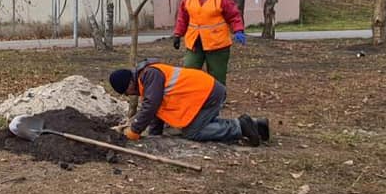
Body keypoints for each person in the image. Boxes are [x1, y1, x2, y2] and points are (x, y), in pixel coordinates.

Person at [109, 59, 269, 146]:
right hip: (205, 94)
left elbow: (151, 107)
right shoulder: (147, 81)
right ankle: (256, 125)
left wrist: (134, 130)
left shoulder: (150, 75)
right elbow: (157, 111)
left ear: (129, 83)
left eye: (126, 92)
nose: (130, 94)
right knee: (202, 125)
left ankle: (239, 127)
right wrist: (154, 136)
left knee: (193, 132)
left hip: (208, 94)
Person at [174, 0, 246, 84]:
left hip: (217, 44)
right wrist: (177, 34)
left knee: (217, 76)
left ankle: (218, 100)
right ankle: (192, 98)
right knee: (189, 72)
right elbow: (182, 18)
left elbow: (234, 15)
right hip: (195, 43)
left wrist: (238, 30)